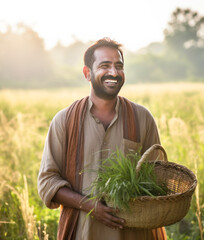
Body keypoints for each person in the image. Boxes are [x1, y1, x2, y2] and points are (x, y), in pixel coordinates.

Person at [38, 38, 167, 240]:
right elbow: (47, 182)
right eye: (105, 66)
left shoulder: (142, 118)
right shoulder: (64, 120)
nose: (114, 73)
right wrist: (89, 205)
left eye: (119, 66)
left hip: (134, 233)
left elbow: (158, 179)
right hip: (82, 232)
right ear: (87, 73)